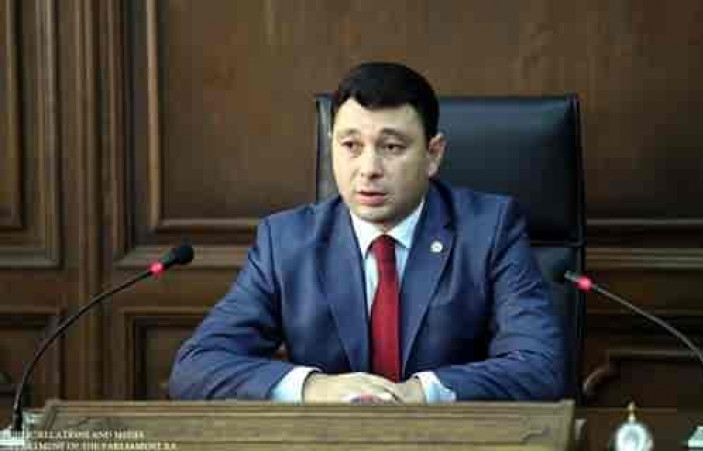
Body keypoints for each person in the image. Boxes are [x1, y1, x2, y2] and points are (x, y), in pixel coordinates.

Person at [169, 61, 563, 403]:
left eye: (391, 147)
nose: (369, 168)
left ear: (433, 154)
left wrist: (421, 392)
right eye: (351, 145)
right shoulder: (286, 241)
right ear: (332, 147)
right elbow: (196, 367)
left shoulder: (490, 230)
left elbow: (539, 367)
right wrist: (315, 387)